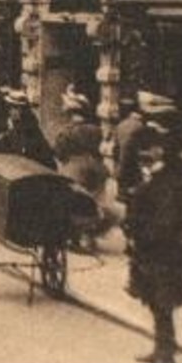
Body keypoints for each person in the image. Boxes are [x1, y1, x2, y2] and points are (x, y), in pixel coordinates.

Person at [124, 128, 182, 363]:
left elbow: (167, 219)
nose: (145, 160)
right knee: (154, 300)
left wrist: (143, 235)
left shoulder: (170, 180)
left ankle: (166, 354)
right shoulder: (155, 177)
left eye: (149, 155)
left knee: (162, 301)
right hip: (149, 251)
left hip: (161, 251)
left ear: (161, 153)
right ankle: (161, 347)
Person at [55, 87, 110, 247]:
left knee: (74, 202)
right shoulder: (96, 130)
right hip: (97, 169)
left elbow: (59, 152)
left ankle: (74, 236)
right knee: (95, 202)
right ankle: (89, 236)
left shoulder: (66, 132)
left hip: (74, 169)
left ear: (71, 113)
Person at [0, 90, 57, 168]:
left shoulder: (30, 130)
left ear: (21, 110)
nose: (10, 111)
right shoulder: (13, 126)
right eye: (9, 107)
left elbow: (23, 151)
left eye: (13, 108)